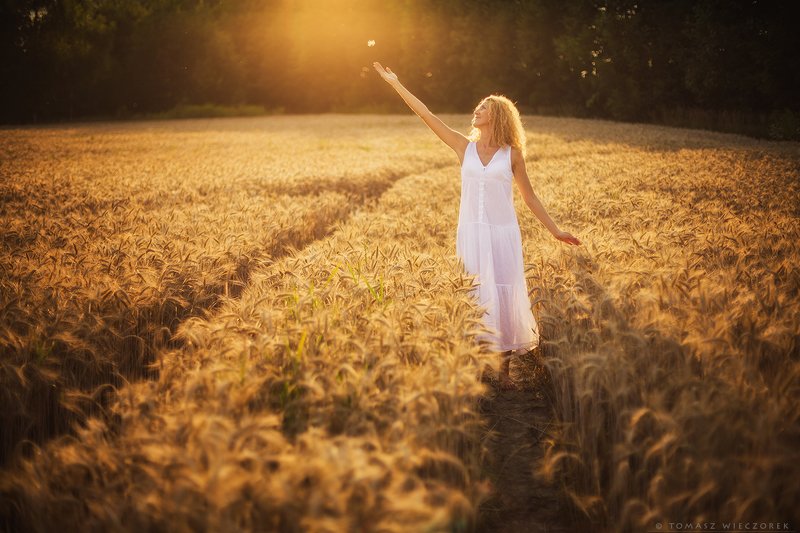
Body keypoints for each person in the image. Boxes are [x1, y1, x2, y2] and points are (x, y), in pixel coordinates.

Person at [373, 62, 581, 390]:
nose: (476, 110)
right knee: (472, 297)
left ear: (497, 116)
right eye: (477, 106)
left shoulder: (512, 154)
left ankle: (502, 372)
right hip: (470, 232)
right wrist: (396, 83)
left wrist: (556, 230)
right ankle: (471, 368)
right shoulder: (463, 146)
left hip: (502, 234)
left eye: (483, 107)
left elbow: (529, 197)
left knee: (503, 294)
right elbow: (427, 115)